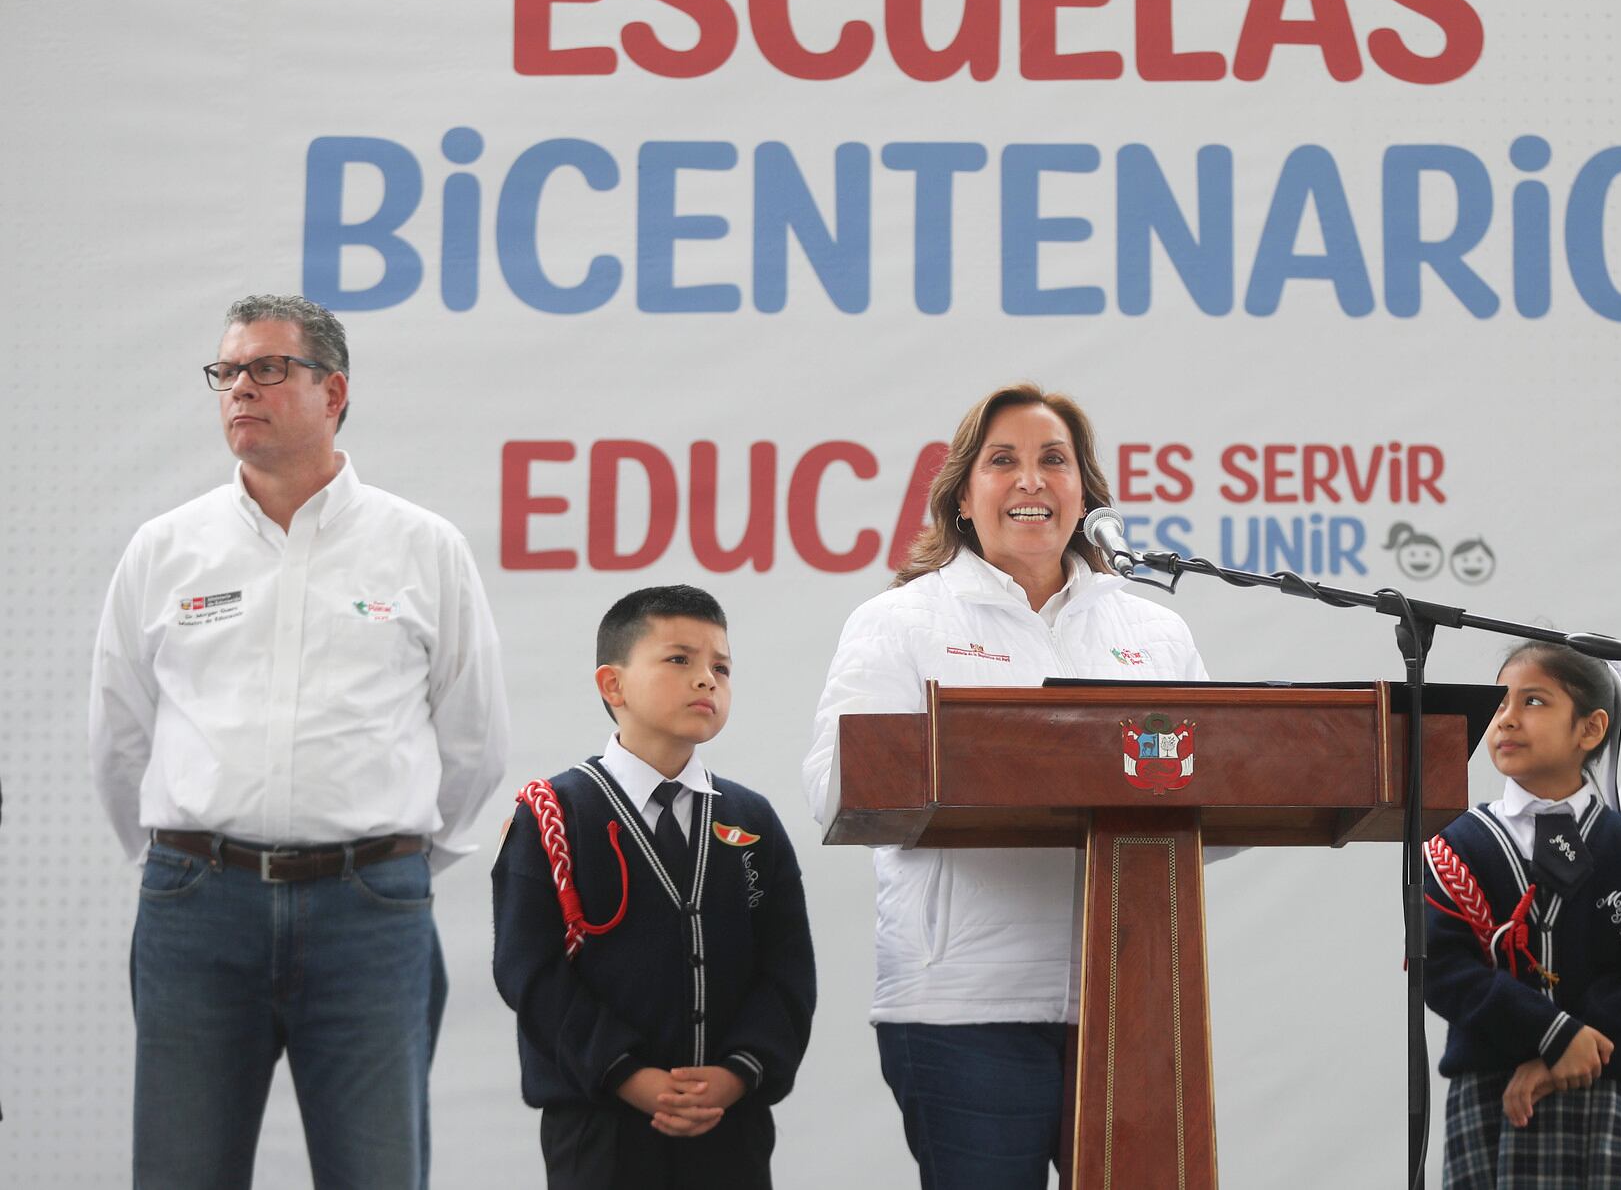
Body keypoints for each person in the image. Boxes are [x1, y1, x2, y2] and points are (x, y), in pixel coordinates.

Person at [86, 294, 510, 1188]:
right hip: (197, 908)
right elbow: (120, 735)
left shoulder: (422, 546)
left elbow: (473, 738)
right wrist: (183, 861)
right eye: (228, 370)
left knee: (378, 1172)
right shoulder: (166, 548)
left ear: (334, 391)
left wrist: (389, 860)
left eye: (268, 367)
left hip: (370, 915)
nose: (241, 387)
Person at [802, 382, 1209, 1190]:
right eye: (1003, 461)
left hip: (1127, 999)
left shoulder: (1154, 633)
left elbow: (1217, 797)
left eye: (1054, 459)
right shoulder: (899, 621)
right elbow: (834, 785)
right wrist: (997, 762)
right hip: (964, 1007)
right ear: (962, 497)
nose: (1031, 479)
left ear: (1085, 494)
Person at [494, 584, 815, 1189]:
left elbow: (788, 970)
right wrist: (627, 1075)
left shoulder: (752, 819)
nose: (706, 679)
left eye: (721, 667)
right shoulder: (554, 813)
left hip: (729, 1122)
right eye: (679, 659)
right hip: (599, 1125)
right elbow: (529, 970)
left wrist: (737, 1072)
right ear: (612, 685)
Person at [1425, 642, 1621, 1188]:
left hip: (1608, 1087)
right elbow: (1444, 970)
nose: (1507, 719)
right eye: (1500, 703)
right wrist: (1553, 1034)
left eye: (1533, 701)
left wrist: (1578, 1045)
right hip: (1493, 1091)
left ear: (1590, 729)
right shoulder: (1458, 846)